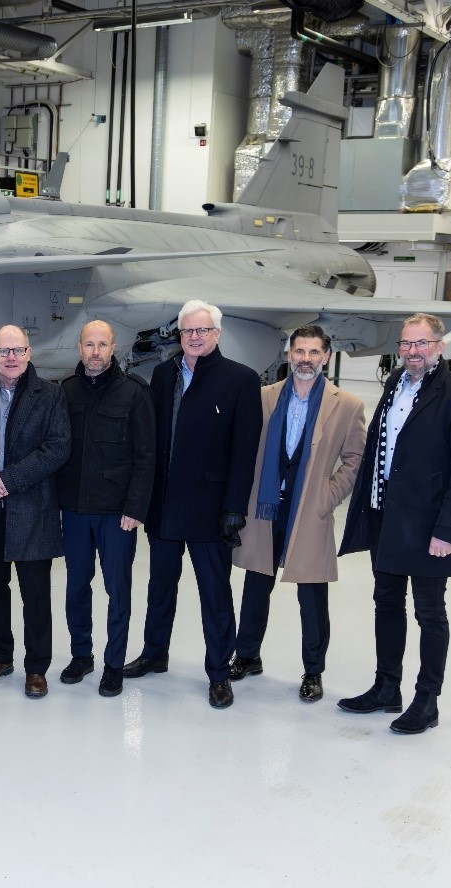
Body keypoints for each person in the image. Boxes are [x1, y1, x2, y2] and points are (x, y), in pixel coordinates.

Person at [337, 313, 451, 734]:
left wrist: (448, 530)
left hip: (428, 524)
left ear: (440, 347)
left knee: (430, 613)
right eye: (406, 344)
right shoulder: (394, 384)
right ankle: (387, 687)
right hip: (386, 516)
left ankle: (427, 700)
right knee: (386, 602)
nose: (412, 351)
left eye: (422, 343)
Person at [126, 300, 262, 709]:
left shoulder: (241, 379)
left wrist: (234, 507)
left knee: (214, 594)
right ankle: (154, 653)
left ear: (217, 334)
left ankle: (219, 673)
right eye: (188, 331)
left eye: (203, 330)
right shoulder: (163, 374)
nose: (195, 337)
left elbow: (245, 450)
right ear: (179, 334)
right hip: (165, 506)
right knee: (159, 587)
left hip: (211, 510)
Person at [229, 326, 366, 703]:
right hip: (266, 506)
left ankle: (313, 671)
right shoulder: (264, 397)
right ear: (289, 355)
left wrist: (328, 495)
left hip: (309, 509)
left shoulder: (347, 405)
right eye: (299, 351)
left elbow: (355, 459)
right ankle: (247, 655)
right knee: (257, 584)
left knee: (312, 592)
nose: (306, 359)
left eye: (313, 352)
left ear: (326, 356)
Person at [0, 324, 70, 699]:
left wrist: (10, 479)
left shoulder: (51, 396)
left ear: (29, 353)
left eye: (18, 350)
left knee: (35, 595)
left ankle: (36, 668)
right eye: (3, 351)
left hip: (33, 509)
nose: (11, 358)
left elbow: (58, 448)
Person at [57, 320, 155, 698]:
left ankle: (114, 664)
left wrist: (135, 508)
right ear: (79, 348)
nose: (95, 352)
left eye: (102, 344)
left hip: (117, 514)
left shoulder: (134, 393)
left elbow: (146, 457)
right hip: (75, 510)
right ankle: (81, 655)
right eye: (89, 344)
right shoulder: (65, 392)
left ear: (113, 348)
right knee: (76, 588)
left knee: (118, 590)